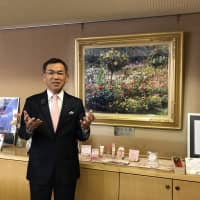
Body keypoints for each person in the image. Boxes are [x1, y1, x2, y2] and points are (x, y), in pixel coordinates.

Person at [18, 58, 95, 200]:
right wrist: (28, 129)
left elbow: (82, 136)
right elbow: (23, 134)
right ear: (44, 77)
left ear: (66, 77)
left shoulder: (75, 103)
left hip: (66, 170)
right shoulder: (32, 102)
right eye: (51, 73)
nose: (55, 77)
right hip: (39, 169)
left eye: (60, 73)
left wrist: (85, 128)